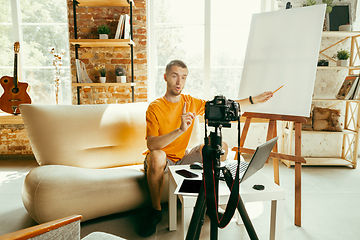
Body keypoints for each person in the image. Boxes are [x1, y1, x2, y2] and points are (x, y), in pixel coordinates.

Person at [138, 60, 272, 237]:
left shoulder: (190, 102)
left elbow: (222, 106)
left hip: (182, 157)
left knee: (219, 147)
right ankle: (155, 212)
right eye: (174, 76)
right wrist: (180, 130)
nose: (179, 82)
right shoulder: (155, 107)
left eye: (183, 77)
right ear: (165, 77)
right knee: (156, 156)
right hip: (161, 159)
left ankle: (210, 204)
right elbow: (152, 145)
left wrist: (253, 100)